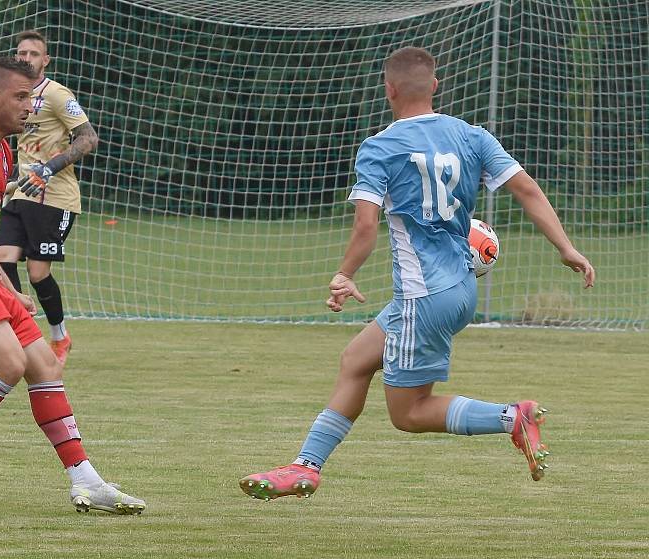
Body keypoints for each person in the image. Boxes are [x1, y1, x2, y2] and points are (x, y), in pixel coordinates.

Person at [239, 47, 595, 501]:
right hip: (460, 289)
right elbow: (527, 190)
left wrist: (345, 274)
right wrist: (566, 248)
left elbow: (366, 226)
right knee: (355, 360)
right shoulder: (471, 135)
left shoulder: (381, 147)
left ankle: (514, 417)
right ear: (436, 84)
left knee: (409, 413)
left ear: (388, 89)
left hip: (422, 295)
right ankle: (305, 467)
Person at [0, 55, 144, 514]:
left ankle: (85, 480)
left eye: (33, 98)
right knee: (10, 362)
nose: (29, 108)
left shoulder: (1, 150)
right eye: (21, 97)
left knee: (44, 365)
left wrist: (3, 282)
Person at [0, 29, 99, 366]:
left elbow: (88, 139)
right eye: (21, 54)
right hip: (22, 193)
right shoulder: (16, 96)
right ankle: (18, 338)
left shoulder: (57, 94)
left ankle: (59, 336)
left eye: (33, 54)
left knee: (38, 273)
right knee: (0, 260)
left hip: (55, 197)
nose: (26, 59)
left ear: (45, 60)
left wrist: (49, 169)